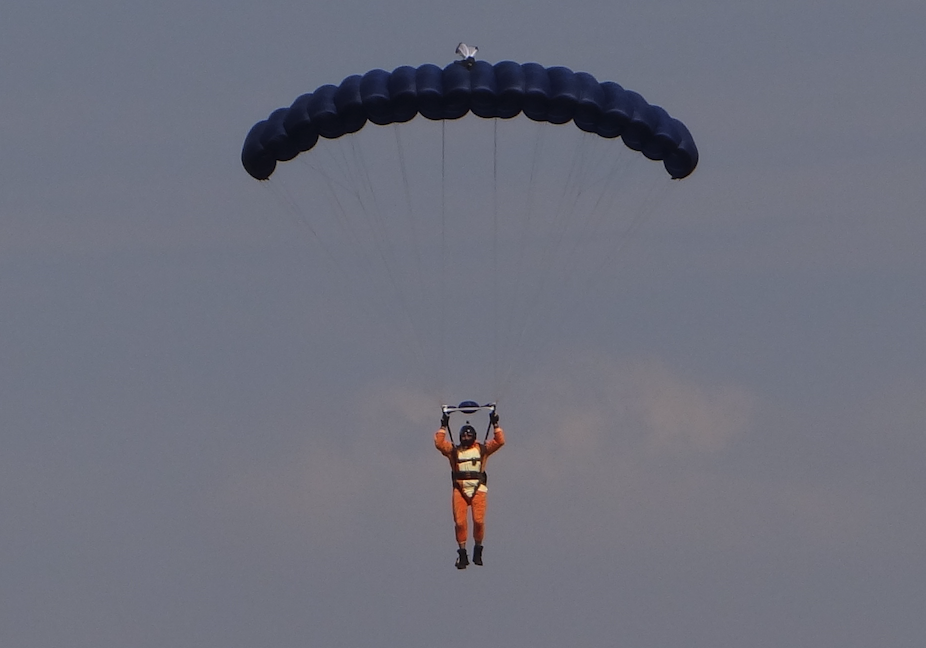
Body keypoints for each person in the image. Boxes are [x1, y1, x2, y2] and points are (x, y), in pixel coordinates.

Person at [434, 409, 505, 569]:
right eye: (463, 436)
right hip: (459, 489)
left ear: (474, 436)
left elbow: (499, 441)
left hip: (478, 489)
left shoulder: (481, 449)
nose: (466, 438)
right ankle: (462, 553)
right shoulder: (454, 451)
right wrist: (443, 426)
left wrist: (496, 424)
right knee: (460, 523)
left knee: (478, 521)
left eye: (469, 435)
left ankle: (478, 549)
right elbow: (439, 444)